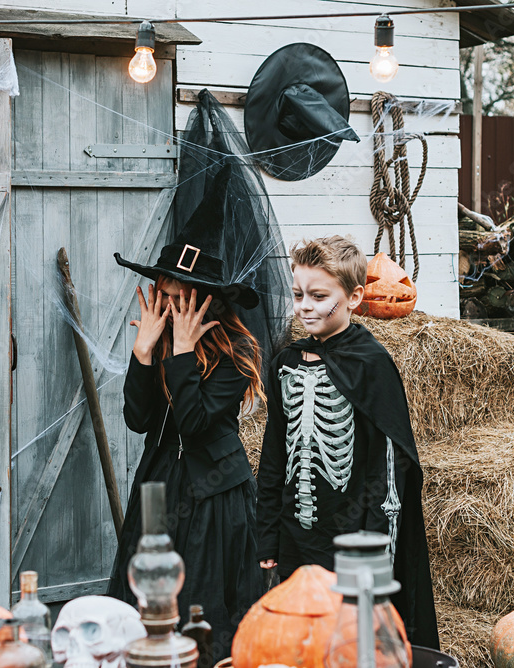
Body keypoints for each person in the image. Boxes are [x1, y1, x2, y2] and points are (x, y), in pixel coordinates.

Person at [255, 236, 440, 649]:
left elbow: (390, 469)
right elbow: (274, 455)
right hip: (293, 534)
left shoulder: (370, 363)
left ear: (355, 298)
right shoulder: (285, 363)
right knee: (298, 639)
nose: (304, 306)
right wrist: (267, 534)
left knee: (348, 642)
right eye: (298, 293)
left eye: (319, 296)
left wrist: (374, 554)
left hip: (350, 537)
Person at [108, 204, 267, 661]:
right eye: (165, 293)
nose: (170, 305)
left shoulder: (237, 350)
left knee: (203, 598)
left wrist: (180, 351)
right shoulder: (157, 339)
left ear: (206, 299)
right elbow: (138, 420)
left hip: (215, 491)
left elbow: (195, 424)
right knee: (152, 601)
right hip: (161, 483)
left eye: (181, 298)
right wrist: (143, 354)